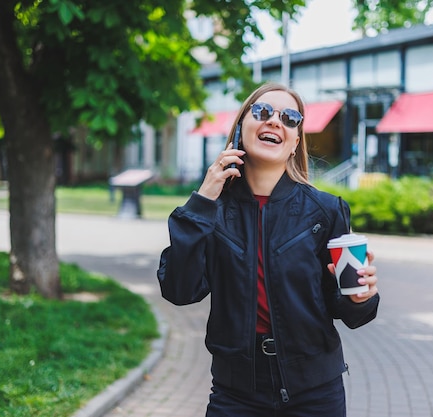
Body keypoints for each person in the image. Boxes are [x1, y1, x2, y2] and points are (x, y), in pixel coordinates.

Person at [157, 82, 380, 416]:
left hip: (315, 392)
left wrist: (361, 298)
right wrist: (202, 200)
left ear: (294, 143)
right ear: (239, 131)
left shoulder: (325, 211)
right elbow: (180, 290)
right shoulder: (210, 210)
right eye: (262, 112)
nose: (275, 121)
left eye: (290, 118)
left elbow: (346, 311)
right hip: (236, 394)